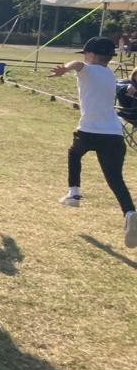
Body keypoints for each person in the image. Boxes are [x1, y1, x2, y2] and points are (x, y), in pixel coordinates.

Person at [51, 36, 137, 248]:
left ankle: (73, 194)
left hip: (89, 131)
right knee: (115, 179)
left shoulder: (87, 69)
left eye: (86, 54)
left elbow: (77, 64)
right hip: (114, 134)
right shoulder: (110, 74)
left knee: (74, 153)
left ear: (91, 55)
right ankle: (129, 212)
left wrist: (65, 68)